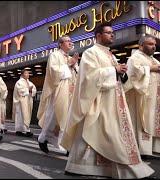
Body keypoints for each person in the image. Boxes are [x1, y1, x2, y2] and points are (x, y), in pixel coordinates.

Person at [60, 23, 154, 178]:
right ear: (98, 35)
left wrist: (121, 72)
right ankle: (79, 166)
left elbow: (116, 77)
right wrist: (113, 70)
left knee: (109, 133)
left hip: (114, 100)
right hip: (99, 101)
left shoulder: (110, 55)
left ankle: (84, 166)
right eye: (108, 32)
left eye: (113, 32)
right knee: (97, 131)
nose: (112, 35)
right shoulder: (91, 53)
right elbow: (88, 77)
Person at [37, 35, 79, 153]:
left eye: (71, 41)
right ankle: (43, 138)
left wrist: (75, 65)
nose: (71, 43)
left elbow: (76, 74)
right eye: (68, 41)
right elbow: (53, 71)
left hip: (70, 91)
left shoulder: (70, 57)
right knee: (53, 116)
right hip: (58, 91)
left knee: (67, 116)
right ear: (60, 44)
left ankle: (63, 143)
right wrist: (69, 64)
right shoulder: (54, 55)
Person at [125, 35, 160, 158]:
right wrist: (150, 69)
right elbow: (133, 73)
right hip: (142, 96)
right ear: (141, 45)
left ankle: (154, 147)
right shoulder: (135, 58)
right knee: (143, 120)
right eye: (150, 44)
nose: (153, 46)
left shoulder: (154, 60)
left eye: (154, 44)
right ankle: (143, 149)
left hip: (154, 97)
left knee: (153, 120)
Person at [13, 69, 37, 137]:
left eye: (28, 73)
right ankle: (19, 130)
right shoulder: (19, 82)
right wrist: (28, 89)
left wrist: (31, 90)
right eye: (26, 73)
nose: (28, 74)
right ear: (22, 74)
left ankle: (26, 129)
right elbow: (20, 91)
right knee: (21, 116)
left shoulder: (30, 82)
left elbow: (34, 89)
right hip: (21, 102)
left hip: (28, 101)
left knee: (27, 115)